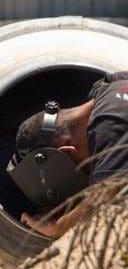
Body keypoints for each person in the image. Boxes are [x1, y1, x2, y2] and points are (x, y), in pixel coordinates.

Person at [13, 71, 128, 238]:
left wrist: (57, 227)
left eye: (85, 170)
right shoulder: (106, 87)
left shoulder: (108, 125)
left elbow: (105, 198)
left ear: (67, 151)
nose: (91, 172)